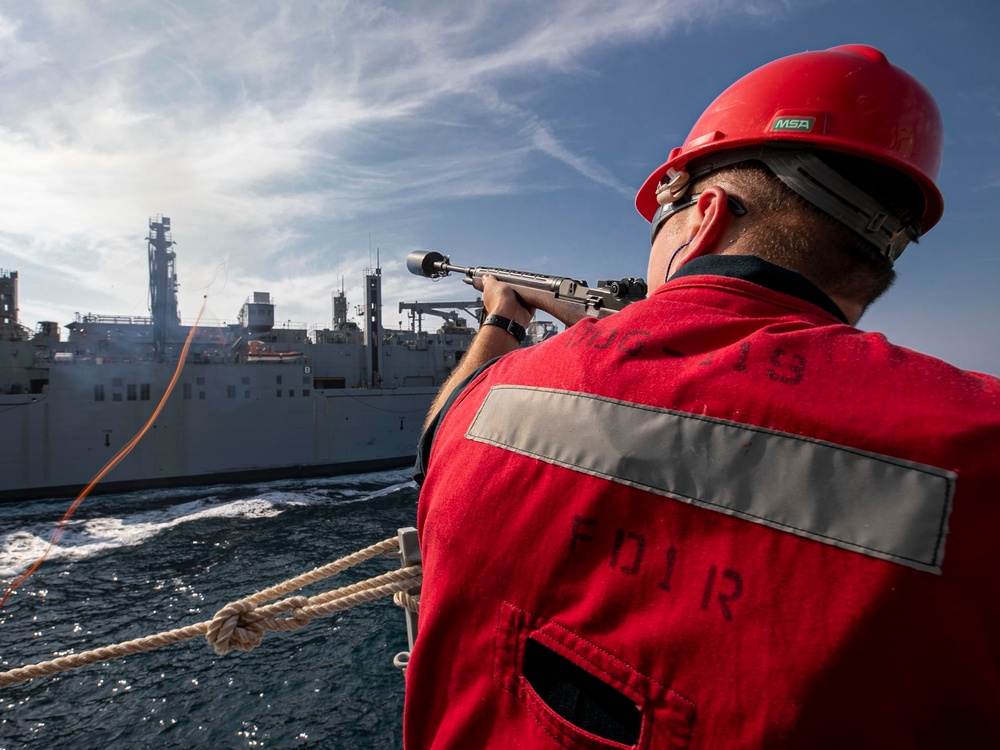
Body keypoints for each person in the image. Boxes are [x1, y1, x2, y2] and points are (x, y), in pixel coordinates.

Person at [403, 45, 1000, 749]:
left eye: (660, 223)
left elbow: (443, 438)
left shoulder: (492, 403)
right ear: (878, 262)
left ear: (705, 215)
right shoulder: (978, 438)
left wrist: (503, 318)